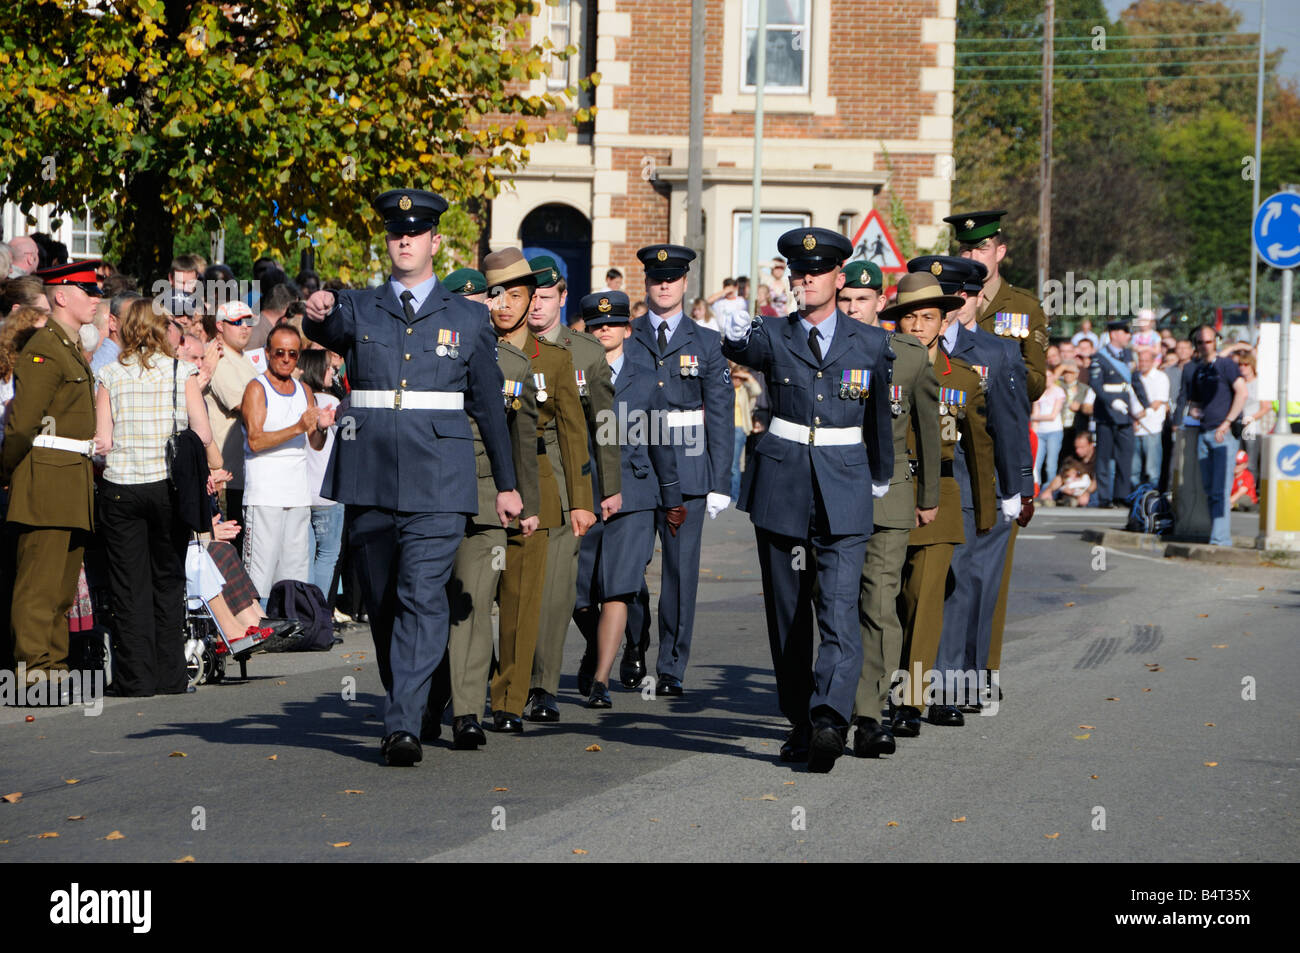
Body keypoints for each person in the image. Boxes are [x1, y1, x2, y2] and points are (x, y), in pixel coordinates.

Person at [304, 188, 522, 766]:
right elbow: (326, 330)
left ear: (434, 241)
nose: (405, 240)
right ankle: (419, 698)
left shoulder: (470, 317)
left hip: (439, 479)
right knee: (383, 604)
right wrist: (316, 310)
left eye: (416, 232)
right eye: (396, 233)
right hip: (370, 476)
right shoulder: (359, 307)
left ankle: (400, 724)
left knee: (422, 595)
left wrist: (505, 483)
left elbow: (488, 407)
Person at [721, 226, 893, 773]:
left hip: (845, 485)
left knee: (840, 610)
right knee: (789, 615)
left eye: (817, 272)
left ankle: (829, 720)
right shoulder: (773, 335)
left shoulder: (870, 344)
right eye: (799, 273)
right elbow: (738, 345)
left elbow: (878, 419)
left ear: (839, 278)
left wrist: (881, 475)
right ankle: (800, 721)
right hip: (784, 485)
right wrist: (732, 328)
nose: (808, 279)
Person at [426, 264, 540, 749]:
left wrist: (525, 502)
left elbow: (522, 439)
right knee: (429, 607)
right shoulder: (429, 359)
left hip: (489, 499)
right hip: (433, 497)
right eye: (468, 303)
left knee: (472, 610)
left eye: (485, 301)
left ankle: (468, 711)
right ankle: (427, 702)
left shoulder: (512, 365)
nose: (483, 310)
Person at [915, 255, 1033, 723]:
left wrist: (1017, 487)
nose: (951, 305)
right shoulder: (906, 345)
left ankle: (949, 685)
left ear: (971, 298)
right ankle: (913, 680)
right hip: (914, 479)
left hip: (967, 480)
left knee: (961, 582)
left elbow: (1010, 423)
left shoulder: (994, 352)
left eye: (959, 296)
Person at [480, 248, 591, 733]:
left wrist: (582, 502)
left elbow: (573, 433)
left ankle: (508, 700)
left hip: (536, 490)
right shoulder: (474, 348)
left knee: (523, 603)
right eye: (495, 294)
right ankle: (463, 691)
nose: (504, 304)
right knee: (473, 596)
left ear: (532, 301)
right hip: (479, 487)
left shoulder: (558, 360)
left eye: (515, 295)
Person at [95, 296, 226, 696]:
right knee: (168, 582)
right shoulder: (181, 371)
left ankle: (137, 677)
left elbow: (104, 441)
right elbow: (203, 434)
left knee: (128, 584)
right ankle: (172, 675)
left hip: (121, 489)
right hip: (168, 488)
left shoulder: (109, 373)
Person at [621, 244, 734, 697]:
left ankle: (671, 666)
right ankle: (633, 645)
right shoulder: (626, 336)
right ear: (646, 284)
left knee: (680, 573)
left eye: (672, 278)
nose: (663, 285)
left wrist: (719, 480)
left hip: (686, 470)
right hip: (636, 465)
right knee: (627, 569)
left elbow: (721, 413)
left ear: (685, 283)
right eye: (655, 278)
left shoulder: (706, 342)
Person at [840, 261, 940, 760]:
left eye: (863, 300)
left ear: (882, 304)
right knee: (834, 602)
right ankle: (832, 703)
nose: (854, 308)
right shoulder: (820, 353)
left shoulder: (909, 355)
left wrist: (928, 497)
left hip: (890, 495)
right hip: (832, 494)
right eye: (846, 300)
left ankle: (871, 714)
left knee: (880, 604)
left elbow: (927, 426)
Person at [889, 273, 996, 726]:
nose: (918, 326)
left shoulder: (965, 379)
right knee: (887, 599)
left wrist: (987, 511)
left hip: (943, 499)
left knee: (926, 600)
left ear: (943, 321)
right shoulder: (878, 367)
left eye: (927, 317)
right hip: (888, 493)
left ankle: (911, 700)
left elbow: (980, 446)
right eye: (910, 317)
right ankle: (880, 690)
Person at [574, 291, 684, 707]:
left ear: (627, 329)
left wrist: (672, 499)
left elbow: (662, 443)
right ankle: (599, 646)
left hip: (635, 495)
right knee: (579, 593)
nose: (604, 330)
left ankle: (601, 679)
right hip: (584, 492)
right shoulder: (574, 372)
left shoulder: (645, 377)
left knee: (618, 586)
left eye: (613, 324)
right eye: (597, 325)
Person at [522, 255, 618, 724]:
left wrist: (609, 487)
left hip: (565, 479)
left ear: (562, 298)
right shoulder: (502, 346)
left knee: (557, 591)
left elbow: (603, 424)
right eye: (529, 297)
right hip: (512, 480)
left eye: (544, 297)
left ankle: (542, 686)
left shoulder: (585, 352)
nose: (536, 306)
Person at [1, 263, 101, 695]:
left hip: (71, 478)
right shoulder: (44, 347)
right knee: (39, 586)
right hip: (45, 478)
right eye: (87, 289)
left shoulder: (68, 345)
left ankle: (54, 667)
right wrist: (6, 470)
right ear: (61, 295)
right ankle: (33, 673)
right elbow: (22, 424)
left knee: (61, 587)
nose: (95, 297)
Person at [241, 325, 331, 605]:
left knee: (295, 568)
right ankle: (257, 628)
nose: (285, 359)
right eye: (279, 352)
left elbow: (313, 443)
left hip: (297, 492)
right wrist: (297, 427)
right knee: (260, 568)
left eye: (293, 354)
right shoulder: (257, 388)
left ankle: (292, 623)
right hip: (265, 493)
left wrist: (322, 428)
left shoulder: (304, 390)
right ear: (268, 353)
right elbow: (255, 441)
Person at [945, 210, 1048, 401]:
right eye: (966, 250)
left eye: (983, 249)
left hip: (1002, 415)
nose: (973, 258)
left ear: (1000, 252)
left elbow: (1037, 383)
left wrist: (1000, 371)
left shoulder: (1026, 306)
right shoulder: (945, 303)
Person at [203, 300, 261, 554]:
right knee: (230, 551)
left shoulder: (244, 358)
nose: (245, 328)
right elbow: (242, 404)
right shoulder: (218, 355)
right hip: (225, 475)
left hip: (243, 471)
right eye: (237, 322)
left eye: (248, 321)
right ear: (220, 326)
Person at [1183, 325, 1247, 547]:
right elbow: (1195, 401)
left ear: (1215, 342)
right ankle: (1218, 536)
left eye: (1208, 341)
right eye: (1200, 343)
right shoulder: (1199, 370)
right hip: (1204, 432)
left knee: (1220, 488)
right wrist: (1194, 411)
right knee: (1210, 489)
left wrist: (1228, 422)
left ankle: (1220, 539)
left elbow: (1242, 391)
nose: (1204, 346)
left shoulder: (1226, 365)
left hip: (1222, 434)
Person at [298, 349, 345, 601]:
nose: (333, 371)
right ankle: (318, 613)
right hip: (328, 493)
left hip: (302, 492)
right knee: (327, 556)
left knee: (305, 558)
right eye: (328, 367)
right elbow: (350, 441)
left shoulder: (298, 401)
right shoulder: (332, 404)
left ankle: (306, 614)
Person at [1089, 319, 1149, 507]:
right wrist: (1110, 401)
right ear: (1114, 334)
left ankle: (1122, 495)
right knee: (1104, 458)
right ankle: (1105, 497)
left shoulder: (1128, 355)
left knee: (1125, 457)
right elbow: (1096, 384)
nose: (1128, 336)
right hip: (1107, 412)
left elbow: (1135, 380)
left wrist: (1145, 404)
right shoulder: (1100, 357)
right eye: (1125, 332)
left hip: (1125, 413)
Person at [1132, 346, 1169, 488]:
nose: (1143, 363)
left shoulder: (1161, 377)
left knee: (1152, 470)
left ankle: (1151, 499)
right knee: (1134, 470)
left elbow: (1157, 403)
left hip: (1152, 428)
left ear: (1153, 362)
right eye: (1140, 360)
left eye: (1146, 360)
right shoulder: (1134, 377)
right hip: (1135, 429)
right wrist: (1133, 419)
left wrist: (1139, 417)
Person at [729, 361, 762, 500]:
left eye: (739, 378)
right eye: (734, 377)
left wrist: (747, 376)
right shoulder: (726, 388)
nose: (736, 380)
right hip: (725, 428)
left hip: (739, 428)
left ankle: (734, 496)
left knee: (734, 464)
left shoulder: (745, 390)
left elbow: (757, 390)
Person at [1031, 367, 1066, 488]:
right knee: (1036, 462)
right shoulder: (1039, 392)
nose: (1048, 379)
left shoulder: (1058, 391)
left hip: (1054, 431)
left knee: (1051, 463)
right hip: (1040, 431)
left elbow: (1052, 416)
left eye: (1050, 376)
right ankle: (1036, 486)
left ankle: (1049, 489)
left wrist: (1035, 417)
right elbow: (1035, 413)